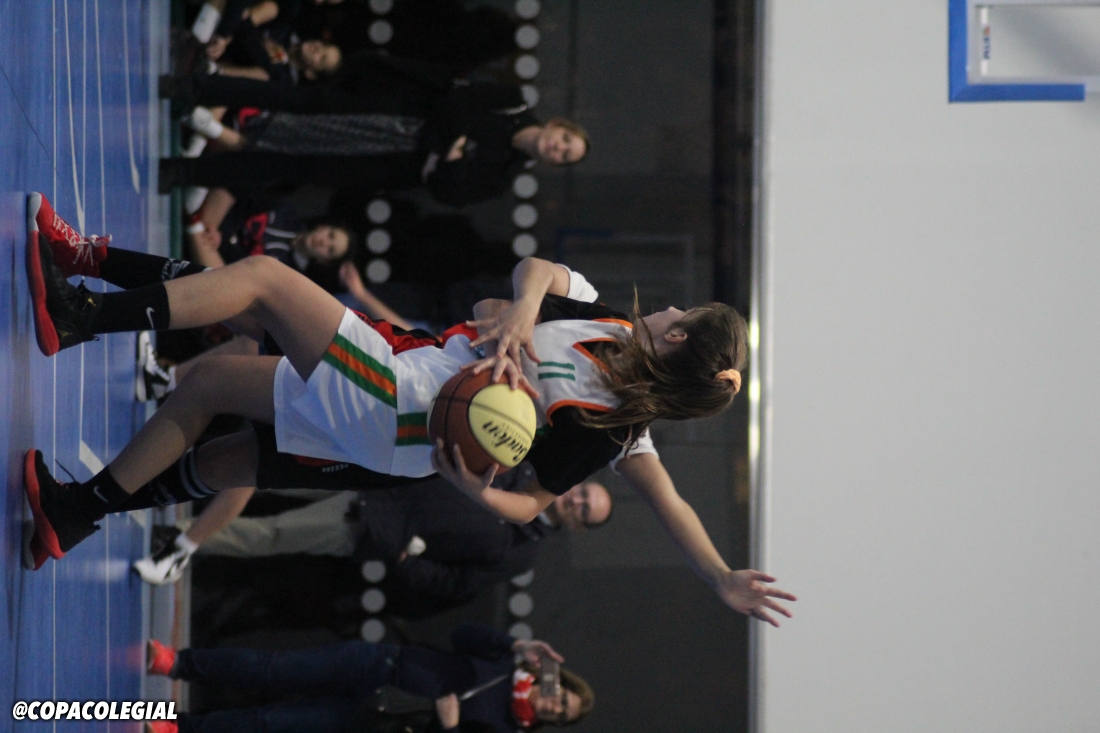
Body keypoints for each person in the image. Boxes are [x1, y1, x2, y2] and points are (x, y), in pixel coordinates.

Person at [23, 192, 795, 625]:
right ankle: (77, 508)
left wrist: (719, 574)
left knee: (261, 281)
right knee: (212, 386)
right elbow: (535, 268)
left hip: (404, 407)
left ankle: (81, 314)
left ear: (679, 336)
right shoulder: (606, 318)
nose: (669, 305)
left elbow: (564, 502)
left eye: (681, 312)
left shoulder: (615, 428)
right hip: (404, 377)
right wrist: (521, 313)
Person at [135, 468, 611, 617]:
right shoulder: (523, 468)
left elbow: (454, 585)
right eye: (585, 493)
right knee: (265, 471)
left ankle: (178, 537)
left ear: (578, 527)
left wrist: (403, 558)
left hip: (368, 527)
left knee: (272, 533)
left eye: (585, 509)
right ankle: (173, 479)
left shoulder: (521, 554)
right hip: (373, 474)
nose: (578, 501)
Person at [159, 72, 589, 206]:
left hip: (383, 164)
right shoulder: (511, 101)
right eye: (564, 141)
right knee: (294, 100)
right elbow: (454, 103)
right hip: (386, 111)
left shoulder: (503, 177)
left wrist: (450, 150)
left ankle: (184, 172)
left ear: (554, 163)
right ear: (558, 126)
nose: (558, 148)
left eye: (564, 156)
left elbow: (449, 192)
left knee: (286, 166)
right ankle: (196, 88)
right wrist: (449, 152)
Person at [142, 623, 589, 733]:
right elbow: (461, 635)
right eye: (561, 696)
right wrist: (515, 645)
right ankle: (177, 664)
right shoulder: (511, 664)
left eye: (559, 714)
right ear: (558, 680)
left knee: (271, 722)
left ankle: (179, 727)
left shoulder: (506, 729)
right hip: (377, 663)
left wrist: (450, 727)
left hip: (380, 714)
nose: (553, 704)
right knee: (273, 669)